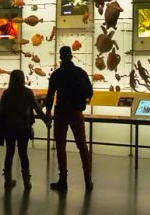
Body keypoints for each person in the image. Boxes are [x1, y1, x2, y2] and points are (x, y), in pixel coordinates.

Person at [46, 46, 94, 192]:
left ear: (60, 57)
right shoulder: (80, 72)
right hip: (76, 113)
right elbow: (89, 92)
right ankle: (88, 179)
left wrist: (48, 112)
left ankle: (63, 180)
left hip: (61, 113)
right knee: (82, 146)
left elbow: (50, 95)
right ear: (71, 56)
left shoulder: (57, 74)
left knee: (61, 146)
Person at [0, 70, 50, 189]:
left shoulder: (7, 93)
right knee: (23, 153)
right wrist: (46, 121)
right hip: (24, 127)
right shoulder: (27, 92)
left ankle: (7, 180)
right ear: (22, 79)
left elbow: (1, 109)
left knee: (9, 153)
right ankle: (27, 182)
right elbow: (37, 108)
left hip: (10, 127)